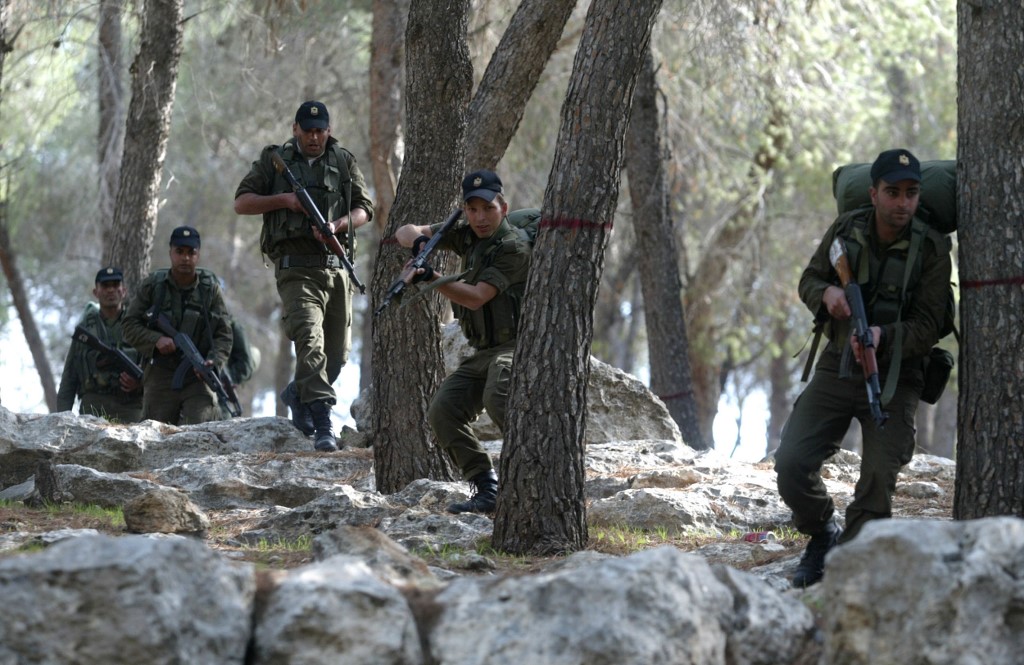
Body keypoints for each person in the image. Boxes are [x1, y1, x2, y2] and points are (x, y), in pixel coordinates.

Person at [774, 149, 953, 588]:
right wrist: (828, 297)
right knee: (792, 462)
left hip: (895, 377)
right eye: (892, 193)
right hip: (838, 366)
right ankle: (821, 535)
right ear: (873, 194)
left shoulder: (931, 247)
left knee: (877, 478)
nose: (902, 203)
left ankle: (846, 563)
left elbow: (929, 325)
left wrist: (882, 337)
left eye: (911, 194)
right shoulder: (846, 230)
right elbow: (810, 279)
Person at [233, 100, 374, 452]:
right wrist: (285, 200)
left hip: (335, 267)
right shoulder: (275, 161)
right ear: (295, 129)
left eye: (320, 130)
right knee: (310, 344)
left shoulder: (342, 161)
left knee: (337, 356)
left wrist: (339, 225)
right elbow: (242, 202)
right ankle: (323, 423)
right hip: (296, 270)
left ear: (328, 130)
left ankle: (298, 393)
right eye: (307, 130)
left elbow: (365, 209)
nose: (314, 137)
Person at [394, 170, 532, 514]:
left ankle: (533, 474)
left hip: (517, 346)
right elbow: (404, 231)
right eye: (472, 209)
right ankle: (487, 487)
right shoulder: (467, 233)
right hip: (482, 350)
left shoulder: (512, 246)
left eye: (487, 208)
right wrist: (421, 242)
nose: (480, 218)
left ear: (503, 206)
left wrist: (431, 277)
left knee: (498, 394)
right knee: (443, 410)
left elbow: (476, 298)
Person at [122, 226, 234, 425]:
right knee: (155, 437)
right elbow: (129, 325)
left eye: (191, 253)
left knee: (203, 432)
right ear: (170, 253)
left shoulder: (209, 289)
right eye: (179, 252)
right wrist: (156, 340)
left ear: (198, 255)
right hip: (160, 375)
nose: (185, 258)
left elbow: (224, 334)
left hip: (197, 378)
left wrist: (212, 361)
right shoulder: (154, 286)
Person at [55, 266, 143, 422]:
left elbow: (154, 368)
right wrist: (61, 419)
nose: (110, 290)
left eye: (115, 285)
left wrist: (140, 383)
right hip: (92, 406)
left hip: (130, 407)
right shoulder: (85, 330)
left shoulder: (137, 325)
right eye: (105, 286)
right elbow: (70, 377)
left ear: (123, 291)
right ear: (96, 292)